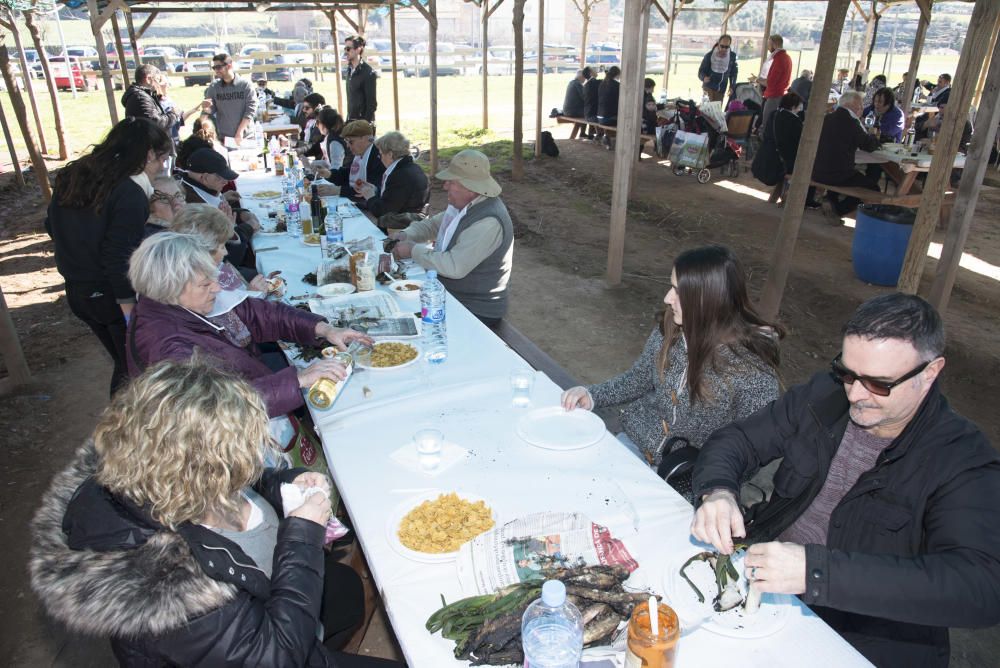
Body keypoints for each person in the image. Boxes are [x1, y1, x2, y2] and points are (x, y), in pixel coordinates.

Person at [690, 293, 1000, 668]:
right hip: (765, 591)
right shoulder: (827, 394)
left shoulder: (961, 458)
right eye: (848, 372)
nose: (855, 394)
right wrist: (719, 491)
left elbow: (981, 587)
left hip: (863, 639)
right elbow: (738, 439)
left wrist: (817, 572)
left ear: (930, 373)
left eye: (879, 384)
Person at [30, 358, 403, 667]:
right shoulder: (166, 590)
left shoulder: (158, 470)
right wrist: (303, 535)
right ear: (207, 469)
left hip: (267, 598)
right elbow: (275, 657)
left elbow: (251, 479)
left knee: (347, 592)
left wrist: (286, 482)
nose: (255, 456)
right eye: (242, 451)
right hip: (273, 651)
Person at [560, 246, 782, 471]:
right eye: (671, 286)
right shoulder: (670, 328)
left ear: (709, 299)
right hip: (634, 443)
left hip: (685, 476)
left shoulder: (752, 369)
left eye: (678, 291)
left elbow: (756, 445)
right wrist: (592, 395)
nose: (667, 298)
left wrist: (714, 487)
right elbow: (640, 378)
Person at [126, 233, 369, 420]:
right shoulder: (168, 346)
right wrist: (298, 380)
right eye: (204, 284)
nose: (217, 288)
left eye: (214, 278)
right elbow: (216, 407)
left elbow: (260, 314)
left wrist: (325, 329)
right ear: (171, 287)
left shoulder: (181, 304)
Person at [44, 118, 172, 396]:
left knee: (122, 362)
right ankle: (119, 432)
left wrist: (80, 248)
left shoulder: (75, 175)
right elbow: (119, 258)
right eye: (161, 158)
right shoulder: (130, 192)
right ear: (148, 154)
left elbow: (51, 226)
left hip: (78, 293)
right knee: (132, 372)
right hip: (109, 297)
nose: (161, 166)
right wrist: (131, 313)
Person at [389, 149, 513, 327]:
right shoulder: (465, 204)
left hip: (475, 309)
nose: (445, 186)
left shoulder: (488, 222)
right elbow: (432, 225)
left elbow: (454, 266)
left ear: (469, 187)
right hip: (451, 295)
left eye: (451, 182)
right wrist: (406, 234)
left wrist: (412, 250)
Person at [170, 204, 272, 294]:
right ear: (202, 250)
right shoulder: (203, 286)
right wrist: (252, 294)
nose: (226, 252)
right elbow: (232, 312)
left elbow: (238, 285)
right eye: (222, 247)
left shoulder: (213, 265)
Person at [812, 91, 881, 220]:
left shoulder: (827, 118)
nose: (861, 110)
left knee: (849, 175)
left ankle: (830, 200)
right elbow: (868, 145)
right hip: (838, 174)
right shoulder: (851, 121)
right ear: (853, 106)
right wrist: (875, 137)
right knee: (873, 188)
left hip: (818, 171)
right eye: (860, 106)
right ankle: (838, 210)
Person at [755, 92, 820, 209]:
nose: (801, 108)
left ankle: (796, 196)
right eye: (800, 105)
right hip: (784, 161)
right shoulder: (793, 120)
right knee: (812, 166)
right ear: (793, 106)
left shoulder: (774, 114)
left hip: (769, 157)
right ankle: (806, 199)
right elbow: (800, 142)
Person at [355, 131, 429, 221]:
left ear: (390, 154)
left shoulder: (400, 176)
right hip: (410, 223)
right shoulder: (412, 167)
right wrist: (375, 191)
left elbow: (382, 212)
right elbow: (393, 199)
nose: (380, 158)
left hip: (402, 229)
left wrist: (370, 196)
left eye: (381, 154)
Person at [314, 120, 386, 204]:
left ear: (365, 138)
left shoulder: (379, 157)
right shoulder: (361, 153)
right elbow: (349, 174)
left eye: (351, 142)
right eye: (346, 142)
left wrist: (338, 190)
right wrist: (329, 174)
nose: (348, 146)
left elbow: (368, 190)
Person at [203, 53, 257, 145]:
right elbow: (209, 110)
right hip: (224, 138)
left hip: (246, 137)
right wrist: (206, 109)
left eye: (219, 67)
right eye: (214, 68)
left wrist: (239, 132)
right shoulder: (214, 87)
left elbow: (250, 111)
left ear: (229, 66)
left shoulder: (245, 85)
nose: (216, 70)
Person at [120, 64, 178, 133]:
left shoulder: (142, 95)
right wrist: (173, 114)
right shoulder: (140, 97)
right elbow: (155, 123)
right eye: (157, 79)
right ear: (148, 79)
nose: (158, 84)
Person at [759, 35, 792, 138]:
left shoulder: (779, 59)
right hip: (780, 93)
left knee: (767, 122)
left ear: (774, 44)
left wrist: (758, 80)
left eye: (769, 44)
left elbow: (771, 82)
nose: (768, 47)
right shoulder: (787, 57)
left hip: (774, 95)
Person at [343, 34, 377, 122]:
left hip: (363, 125)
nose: (345, 52)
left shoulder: (368, 73)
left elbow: (372, 104)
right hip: (351, 120)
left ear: (358, 49)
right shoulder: (349, 70)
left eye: (348, 49)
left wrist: (364, 124)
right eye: (345, 48)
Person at [698, 35, 738, 103]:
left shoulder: (732, 57)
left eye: (726, 47)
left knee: (717, 112)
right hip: (708, 87)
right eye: (722, 46)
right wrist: (704, 77)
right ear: (718, 44)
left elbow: (733, 73)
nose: (724, 49)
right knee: (707, 110)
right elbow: (701, 71)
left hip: (721, 89)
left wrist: (732, 86)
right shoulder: (709, 55)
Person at [296, 92, 327, 158]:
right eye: (303, 107)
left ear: (316, 108)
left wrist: (299, 150)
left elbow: (315, 147)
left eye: (307, 108)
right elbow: (306, 142)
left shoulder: (321, 127)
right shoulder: (310, 122)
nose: (304, 110)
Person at [582, 66, 601, 139]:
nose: (596, 71)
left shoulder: (586, 85)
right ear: (590, 73)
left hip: (587, 114)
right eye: (594, 70)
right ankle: (601, 135)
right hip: (593, 116)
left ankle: (595, 134)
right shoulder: (596, 83)